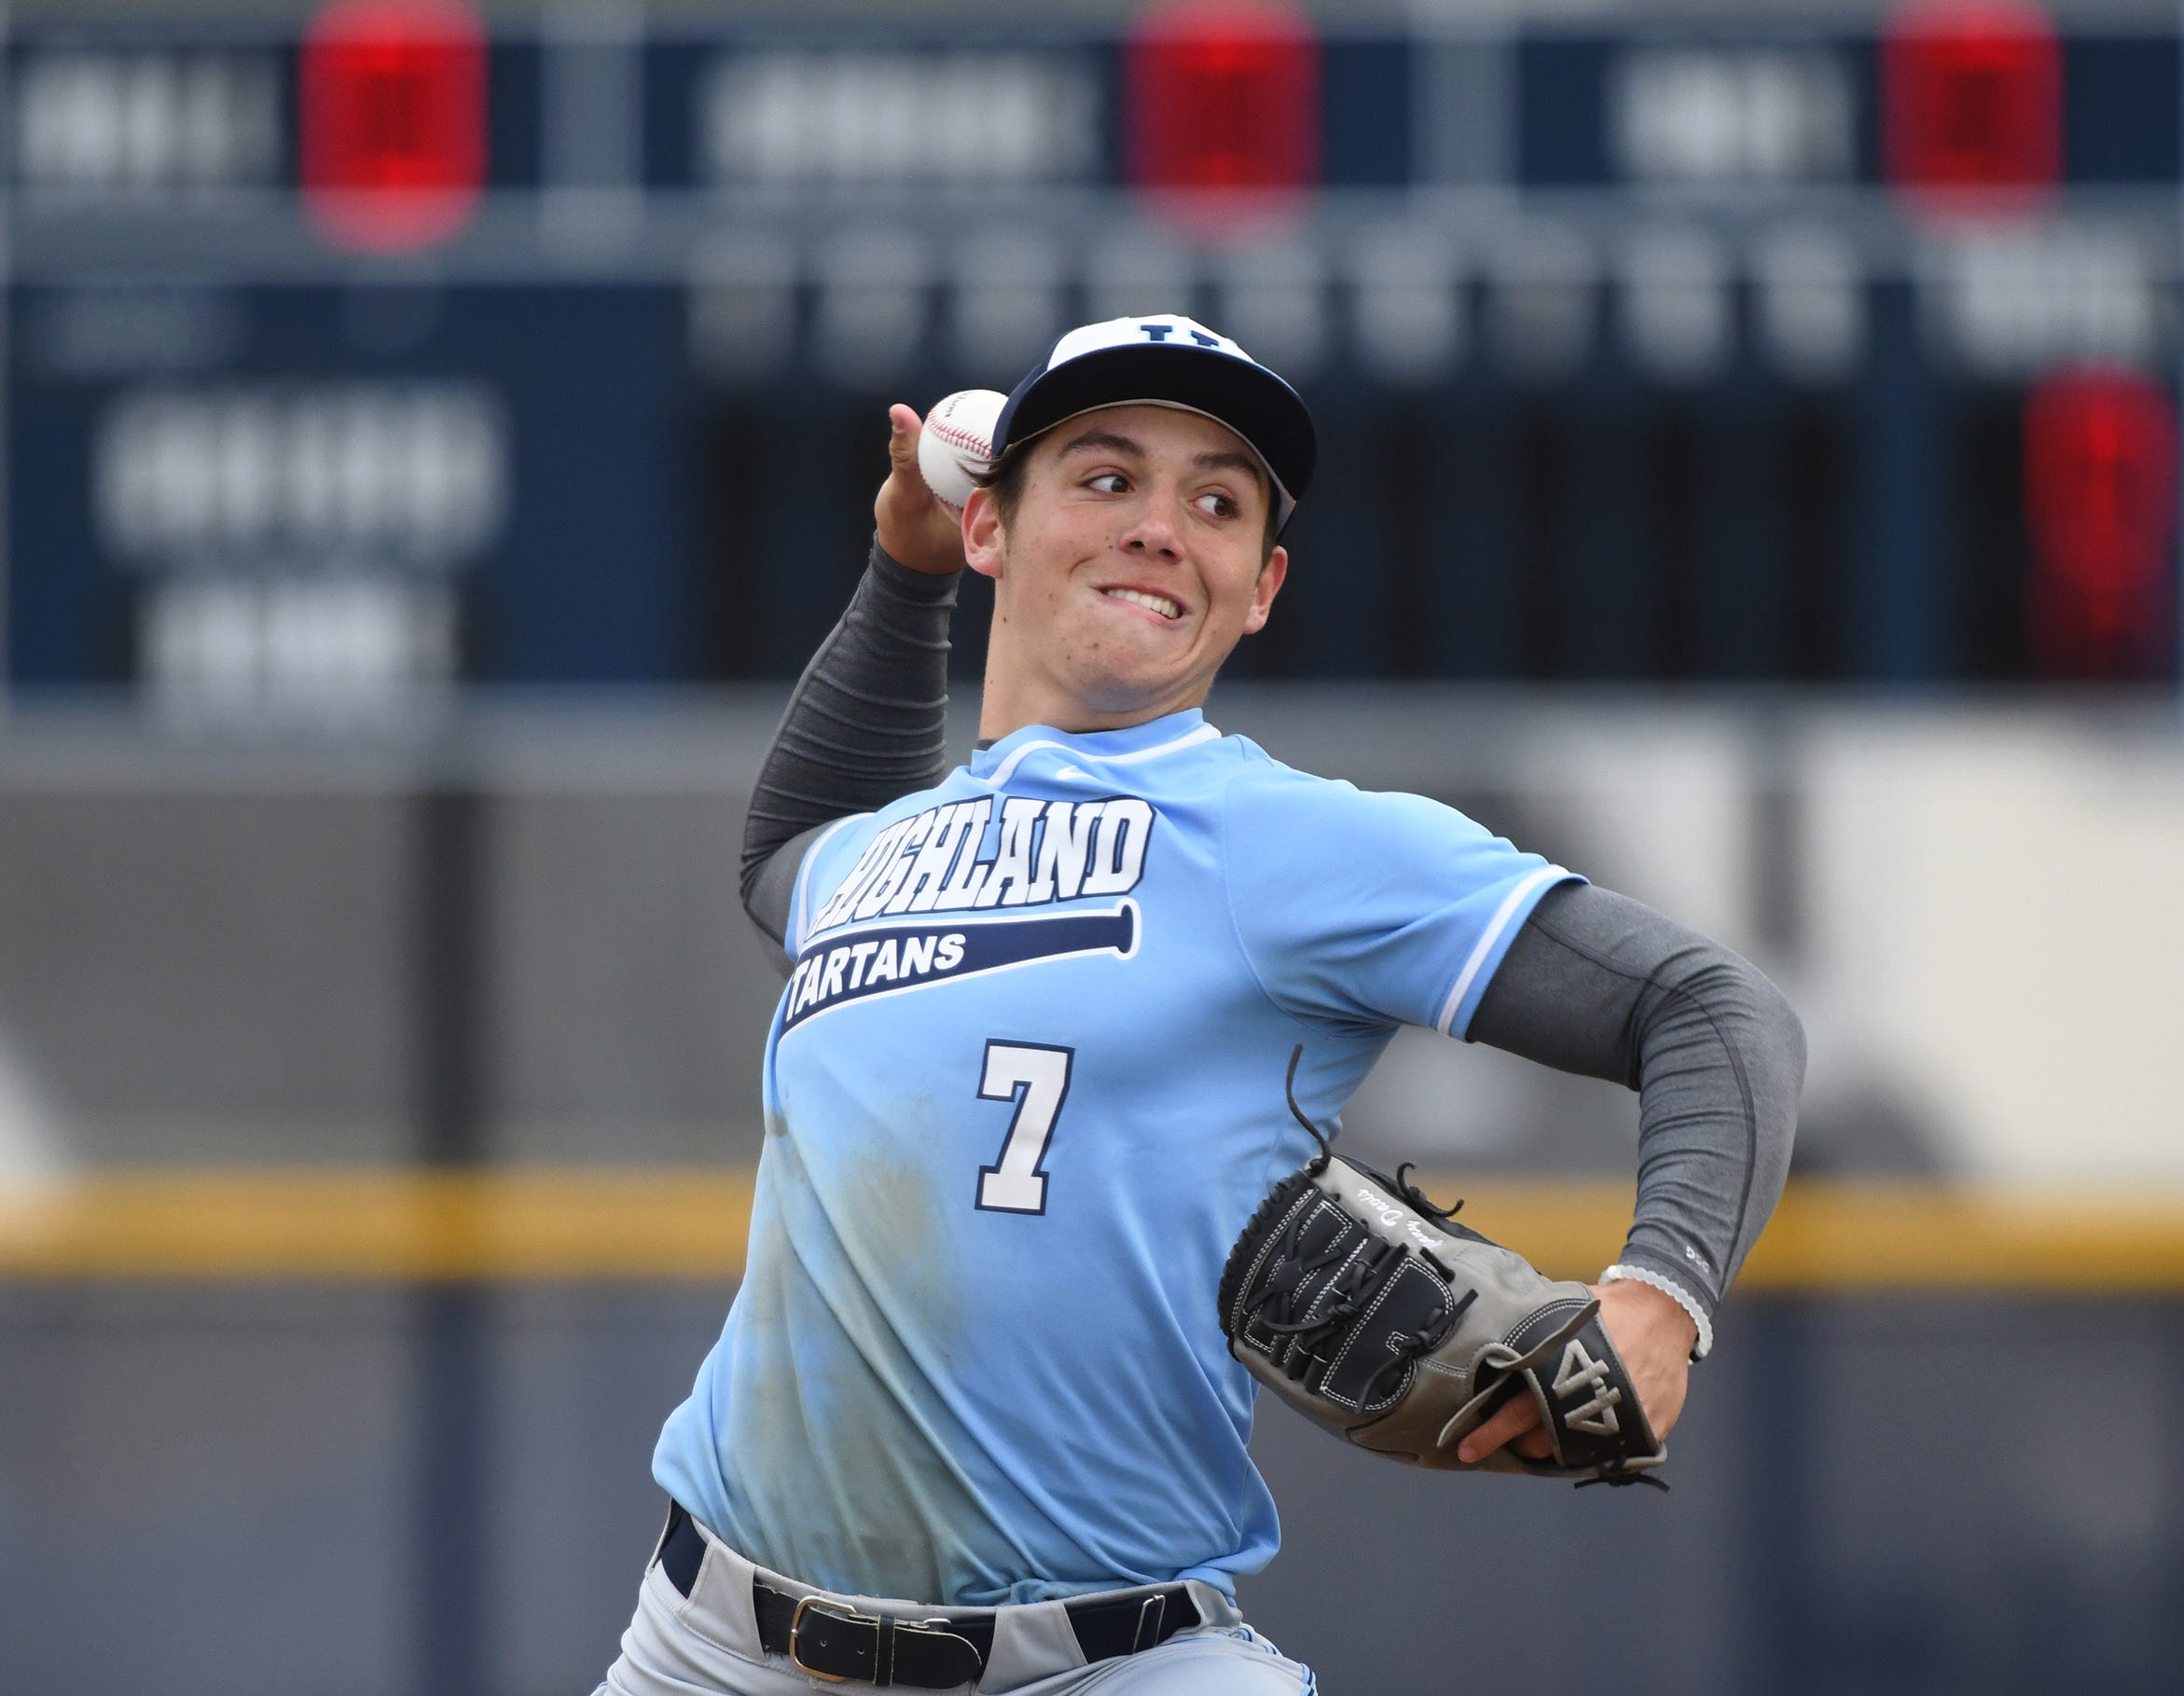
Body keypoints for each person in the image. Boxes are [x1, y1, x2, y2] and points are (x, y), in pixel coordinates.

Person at [597, 315, 1804, 1695]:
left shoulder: (1286, 845)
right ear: (994, 528)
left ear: (1261, 585)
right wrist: (902, 568)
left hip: (1105, 1664)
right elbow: (781, 855)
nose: (1161, 525)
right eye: (1105, 479)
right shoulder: (872, 856)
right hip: (710, 1651)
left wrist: (1660, 1303)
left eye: (1214, 502)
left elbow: (1714, 1012)